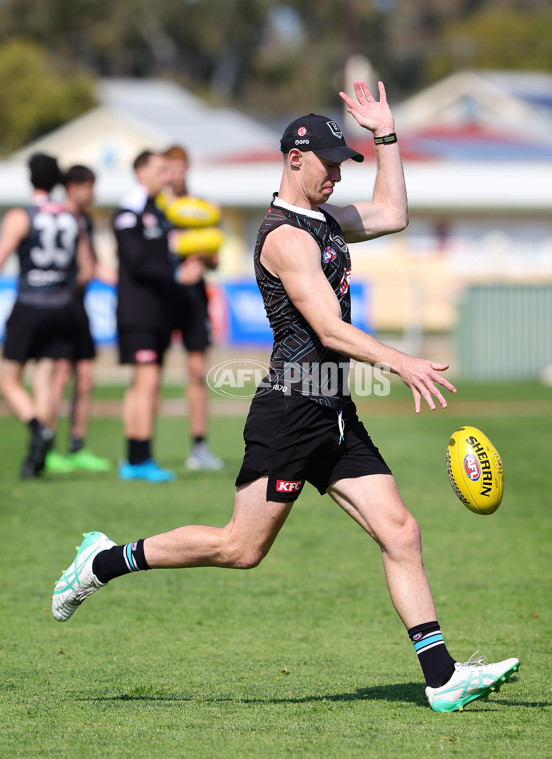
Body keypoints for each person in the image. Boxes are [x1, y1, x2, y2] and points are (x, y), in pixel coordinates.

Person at [52, 82, 519, 712]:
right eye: (328, 164)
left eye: (341, 165)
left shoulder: (326, 222)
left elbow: (393, 212)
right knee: (240, 548)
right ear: (294, 158)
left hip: (332, 409)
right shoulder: (284, 237)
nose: (335, 176)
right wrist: (401, 361)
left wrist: (385, 139)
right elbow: (328, 329)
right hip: (291, 410)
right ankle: (105, 561)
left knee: (400, 530)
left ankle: (440, 678)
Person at [0, 153, 94, 478]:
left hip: (29, 304)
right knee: (44, 377)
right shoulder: (72, 217)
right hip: (63, 307)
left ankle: (39, 428)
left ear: (30, 178)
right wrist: (62, 286)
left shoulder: (20, 216)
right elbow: (87, 269)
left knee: (8, 379)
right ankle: (36, 456)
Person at [113, 150, 204, 483]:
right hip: (138, 312)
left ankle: (135, 459)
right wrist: (176, 275)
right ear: (140, 172)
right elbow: (136, 262)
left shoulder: (158, 212)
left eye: (169, 171)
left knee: (144, 384)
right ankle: (140, 459)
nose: (167, 177)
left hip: (157, 313)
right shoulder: (129, 211)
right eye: (160, 170)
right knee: (146, 384)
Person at [45, 165, 112, 473]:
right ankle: (46, 448)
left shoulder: (84, 219)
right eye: (89, 186)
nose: (93, 194)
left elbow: (94, 266)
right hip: (57, 308)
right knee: (57, 377)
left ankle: (76, 446)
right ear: (72, 186)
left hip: (78, 309)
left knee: (85, 377)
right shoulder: (54, 217)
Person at [161, 145, 223, 471]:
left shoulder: (203, 208)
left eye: (179, 167)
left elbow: (216, 256)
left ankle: (199, 446)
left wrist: (201, 259)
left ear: (187, 168)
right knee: (150, 371)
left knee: (197, 371)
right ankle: (144, 451)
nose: (174, 173)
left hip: (194, 296)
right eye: (168, 167)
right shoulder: (155, 208)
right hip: (160, 294)